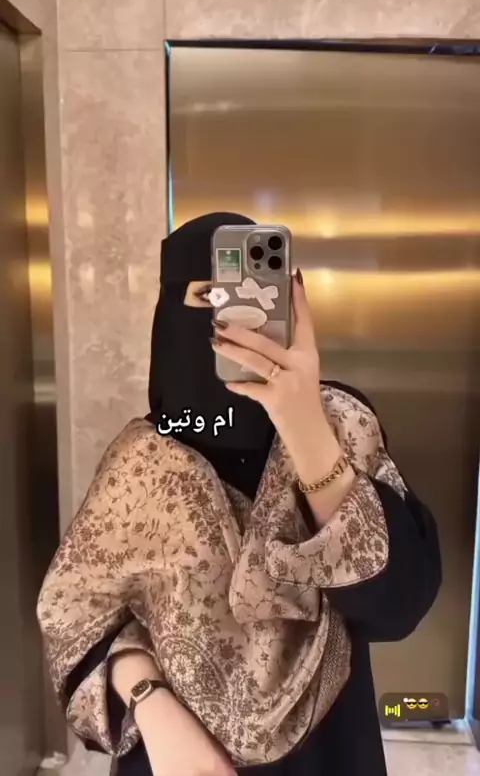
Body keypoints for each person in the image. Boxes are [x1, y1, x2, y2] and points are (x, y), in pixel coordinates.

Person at [37, 212, 442, 776]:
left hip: (327, 754)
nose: (226, 315)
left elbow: (400, 606)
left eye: (248, 294)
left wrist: (303, 425)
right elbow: (78, 616)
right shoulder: (141, 459)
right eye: (206, 296)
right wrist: (151, 702)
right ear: (169, 313)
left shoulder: (340, 425)